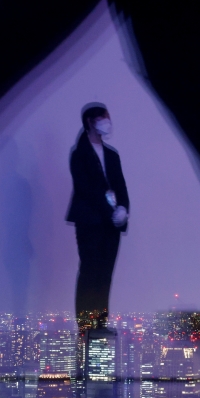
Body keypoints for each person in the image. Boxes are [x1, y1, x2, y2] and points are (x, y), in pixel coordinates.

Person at [67, 102, 129, 326]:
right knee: (89, 272)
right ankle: (85, 325)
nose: (108, 121)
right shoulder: (79, 154)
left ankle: (100, 324)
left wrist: (123, 209)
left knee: (105, 275)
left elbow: (120, 186)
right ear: (90, 122)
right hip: (90, 222)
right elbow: (86, 190)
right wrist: (111, 211)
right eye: (103, 117)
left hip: (111, 225)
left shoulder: (112, 155)